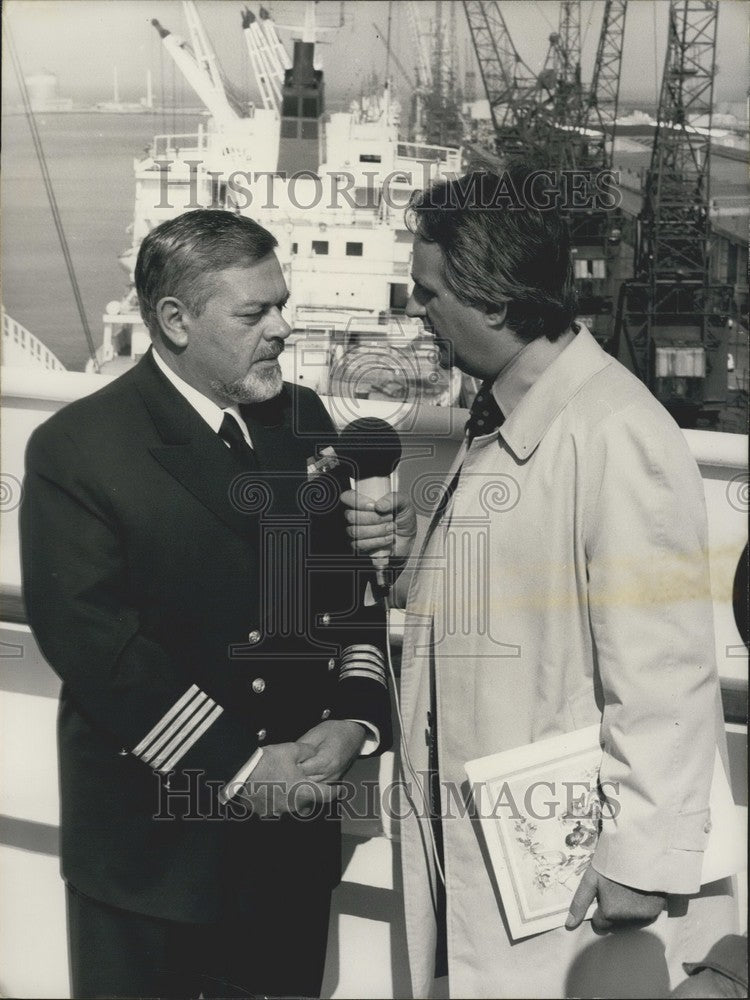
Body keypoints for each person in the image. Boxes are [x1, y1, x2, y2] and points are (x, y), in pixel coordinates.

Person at [343, 170, 737, 998]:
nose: (419, 312)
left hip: (561, 882)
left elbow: (665, 669)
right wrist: (417, 556)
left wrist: (639, 860)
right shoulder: (512, 413)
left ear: (491, 301)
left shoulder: (615, 431)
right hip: (485, 850)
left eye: (429, 293)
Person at [20, 209, 391, 999]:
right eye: (256, 313)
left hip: (289, 853)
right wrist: (240, 765)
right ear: (176, 321)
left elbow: (346, 593)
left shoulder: (303, 423)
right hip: (153, 862)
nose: (283, 329)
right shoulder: (79, 450)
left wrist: (355, 715)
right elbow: (93, 642)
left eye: (281, 304)